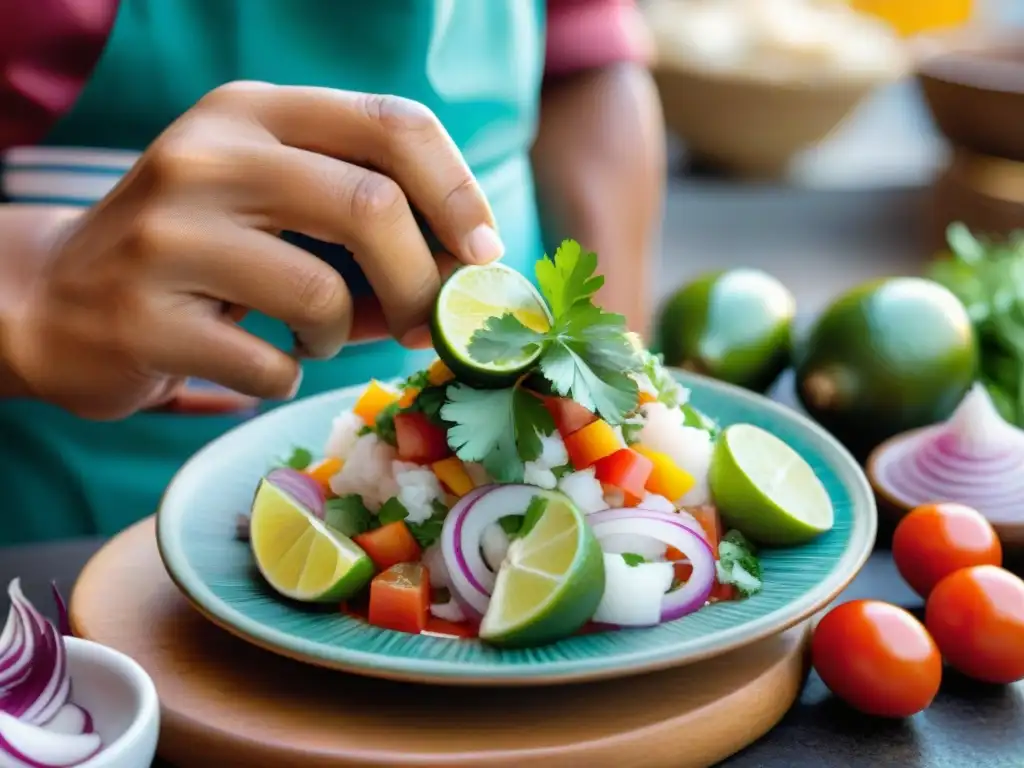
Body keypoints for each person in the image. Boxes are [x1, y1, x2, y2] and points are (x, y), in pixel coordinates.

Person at [0, 0, 664, 545]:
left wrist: (599, 419)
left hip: (489, 474)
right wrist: (35, 282)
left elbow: (586, 56)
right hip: (69, 517)